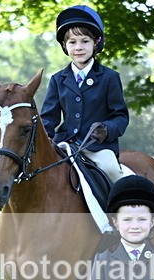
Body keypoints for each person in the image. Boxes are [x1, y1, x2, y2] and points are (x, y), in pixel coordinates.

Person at [41, 5, 129, 182]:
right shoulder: (57, 79)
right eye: (72, 42)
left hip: (98, 147)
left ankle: (120, 200)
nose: (78, 47)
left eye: (85, 41)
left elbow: (120, 116)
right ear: (65, 46)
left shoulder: (109, 77)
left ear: (96, 42)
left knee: (113, 172)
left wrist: (106, 129)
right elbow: (48, 119)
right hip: (64, 145)